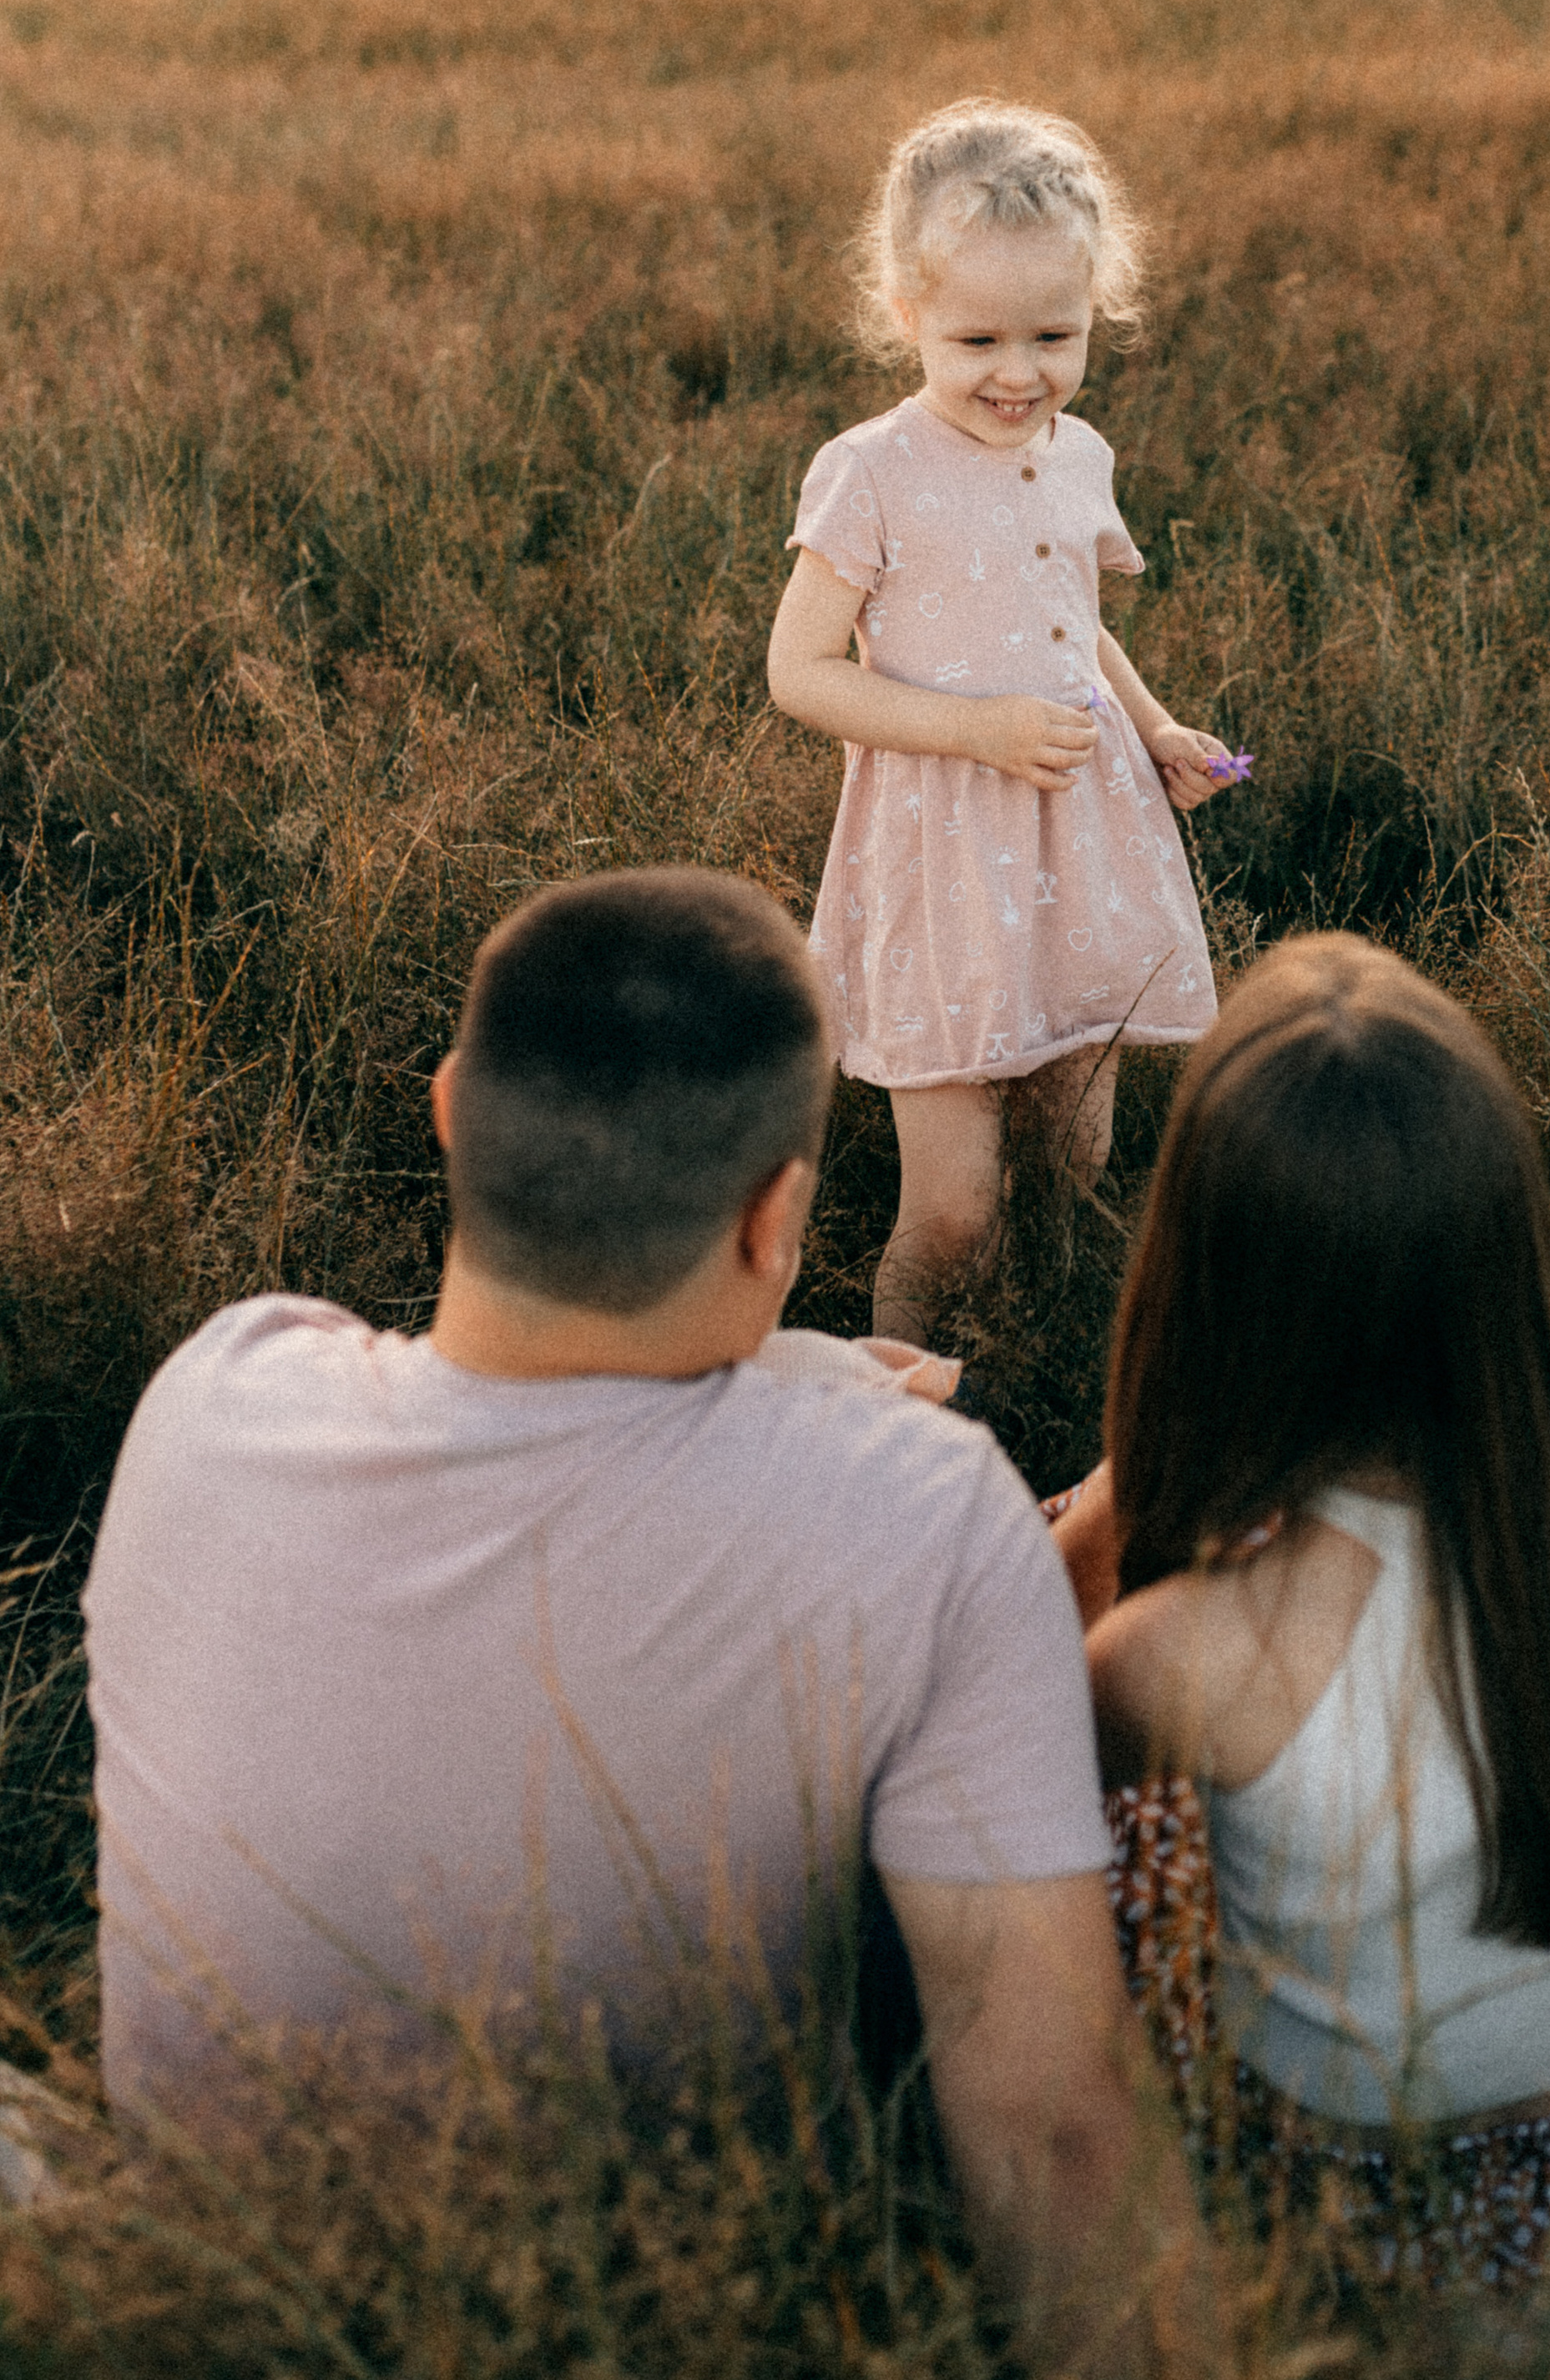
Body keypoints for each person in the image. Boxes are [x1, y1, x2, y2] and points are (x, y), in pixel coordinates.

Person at [85, 870, 1204, 2368]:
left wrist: (784, 1384)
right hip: (667, 2317)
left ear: (447, 1111)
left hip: (196, 2301)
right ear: (778, 1215)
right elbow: (1059, 2149)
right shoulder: (930, 1519)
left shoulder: (213, 1399)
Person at [1056, 935, 1550, 2284]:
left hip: (1319, 2178)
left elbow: (1031, 1718)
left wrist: (1139, 1471)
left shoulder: (1197, 1656)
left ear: (1204, 1280)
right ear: (1513, 1245)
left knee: (1093, 1844)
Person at [767, 98, 1243, 1344]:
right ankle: (908, 1404)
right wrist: (974, 733)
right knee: (957, 1210)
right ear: (906, 312)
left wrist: (1153, 727)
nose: (1019, 373)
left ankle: (1030, 1367)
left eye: (1056, 335)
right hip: (943, 851)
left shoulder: (1077, 453)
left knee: (1074, 1160)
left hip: (1078, 833)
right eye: (977, 336)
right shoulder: (871, 470)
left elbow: (1069, 616)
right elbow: (801, 672)